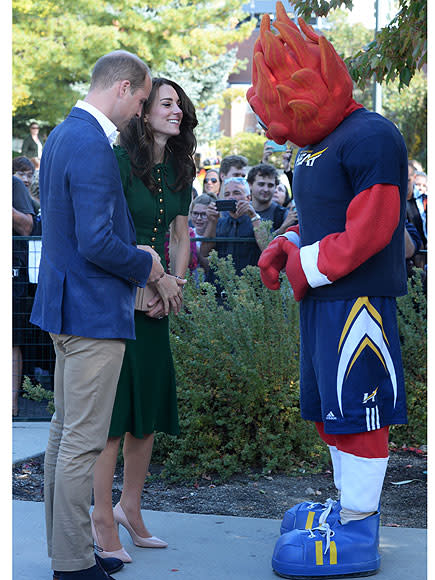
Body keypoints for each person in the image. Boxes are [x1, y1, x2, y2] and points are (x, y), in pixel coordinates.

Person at [248, 4, 408, 578]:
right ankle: (349, 508)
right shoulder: (318, 143)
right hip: (322, 298)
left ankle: (360, 528)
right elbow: (318, 215)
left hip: (356, 301)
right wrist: (287, 240)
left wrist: (302, 262)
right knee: (330, 409)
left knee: (360, 409)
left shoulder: (371, 135)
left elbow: (373, 226)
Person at [29, 50, 177, 580]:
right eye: (142, 100)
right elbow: (96, 242)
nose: (141, 111)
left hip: (66, 308)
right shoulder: (91, 143)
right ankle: (71, 565)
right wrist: (149, 263)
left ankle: (64, 552)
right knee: (81, 444)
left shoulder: (65, 134)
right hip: (92, 313)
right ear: (123, 87)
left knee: (62, 435)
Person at [91, 77, 197, 564]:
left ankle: (130, 508)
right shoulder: (115, 162)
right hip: (118, 301)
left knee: (146, 417)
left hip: (158, 307)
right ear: (143, 110)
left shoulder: (181, 166)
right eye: (166, 103)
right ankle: (100, 517)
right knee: (112, 420)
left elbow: (180, 235)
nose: (176, 111)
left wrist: (171, 287)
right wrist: (147, 285)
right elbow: (109, 233)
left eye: (180, 105)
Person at [200, 176, 269, 284]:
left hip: (249, 288)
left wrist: (253, 216)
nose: (231, 197)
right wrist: (212, 222)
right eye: (227, 194)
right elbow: (204, 252)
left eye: (236, 192)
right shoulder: (218, 222)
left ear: (248, 198)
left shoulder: (260, 222)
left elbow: (267, 250)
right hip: (219, 287)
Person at [12, 175, 35, 416]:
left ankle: (11, 406)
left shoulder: (13, 185)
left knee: (11, 341)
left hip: (12, 274)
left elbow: (27, 227)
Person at [247, 163, 297, 235]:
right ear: (250, 185)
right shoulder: (241, 211)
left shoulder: (284, 216)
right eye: (261, 184)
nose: (266, 189)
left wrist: (283, 228)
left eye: (270, 185)